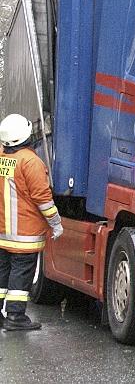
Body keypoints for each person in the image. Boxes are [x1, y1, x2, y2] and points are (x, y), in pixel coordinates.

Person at [0, 114, 63, 331]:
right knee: (20, 276)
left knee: (2, 274)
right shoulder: (30, 161)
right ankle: (15, 317)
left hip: (3, 233)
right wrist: (55, 222)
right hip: (24, 235)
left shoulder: (2, 158)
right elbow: (43, 199)